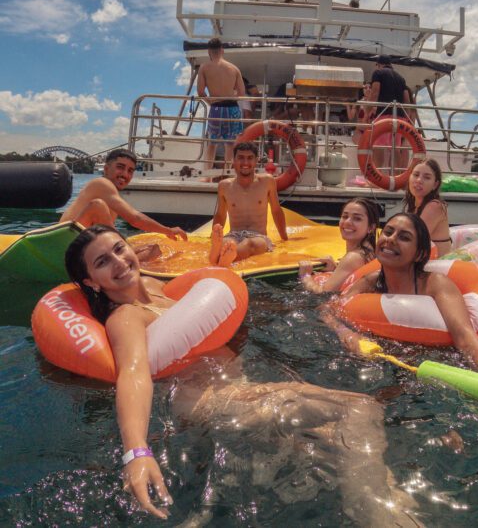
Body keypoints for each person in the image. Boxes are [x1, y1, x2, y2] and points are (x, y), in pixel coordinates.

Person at [65, 225, 427, 524]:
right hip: (210, 402)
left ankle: (394, 511)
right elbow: (133, 373)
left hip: (240, 392)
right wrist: (136, 453)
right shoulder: (125, 317)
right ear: (92, 282)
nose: (118, 261)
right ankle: (375, 506)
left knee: (334, 443)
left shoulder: (159, 288)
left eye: (119, 248)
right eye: (102, 261)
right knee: (360, 409)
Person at [326, 212, 478, 412]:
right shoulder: (371, 281)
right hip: (399, 357)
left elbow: (463, 335)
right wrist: (347, 333)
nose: (390, 239)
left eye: (404, 237)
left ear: (420, 254)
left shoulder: (435, 284)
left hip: (446, 354)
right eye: (388, 232)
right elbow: (328, 309)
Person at [60, 148, 187, 261]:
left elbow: (108, 233)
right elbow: (135, 219)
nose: (125, 174)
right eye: (120, 167)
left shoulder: (111, 197)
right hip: (64, 248)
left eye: (130, 170)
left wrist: (129, 247)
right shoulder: (101, 184)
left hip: (81, 250)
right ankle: (129, 265)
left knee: (153, 250)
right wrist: (168, 231)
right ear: (106, 169)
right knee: (98, 206)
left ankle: (130, 264)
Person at [210, 141, 288, 266]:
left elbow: (276, 210)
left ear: (256, 160)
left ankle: (221, 260)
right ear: (234, 160)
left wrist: (285, 238)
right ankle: (224, 257)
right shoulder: (224, 186)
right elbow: (220, 214)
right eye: (241, 158)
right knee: (227, 244)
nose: (245, 163)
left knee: (249, 244)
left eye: (250, 158)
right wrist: (213, 238)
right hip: (234, 234)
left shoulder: (267, 181)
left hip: (258, 236)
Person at [298, 198, 379, 293]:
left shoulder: (353, 257)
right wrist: (336, 269)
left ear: (371, 228)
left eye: (357, 218)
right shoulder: (370, 252)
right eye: (345, 216)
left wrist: (305, 276)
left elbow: (323, 293)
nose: (348, 222)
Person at [197, 37, 245, 172]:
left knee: (212, 143)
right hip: (232, 108)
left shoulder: (204, 67)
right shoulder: (234, 68)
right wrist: (230, 97)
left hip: (216, 108)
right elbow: (241, 92)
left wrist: (211, 101)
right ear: (222, 51)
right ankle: (227, 173)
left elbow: (200, 91)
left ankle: (207, 174)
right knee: (230, 145)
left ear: (209, 52)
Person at [366, 55, 413, 169]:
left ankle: (377, 177)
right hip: (400, 117)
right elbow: (406, 100)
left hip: (384, 114)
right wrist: (407, 120)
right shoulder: (401, 78)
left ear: (379, 64)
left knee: (378, 146)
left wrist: (368, 110)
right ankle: (395, 177)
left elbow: (375, 92)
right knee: (395, 148)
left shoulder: (378, 73)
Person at [405, 158, 452, 256]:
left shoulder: (435, 206)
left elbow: (414, 241)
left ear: (435, 185)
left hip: (437, 266)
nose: (419, 180)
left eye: (426, 177)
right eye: (416, 175)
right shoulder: (413, 206)